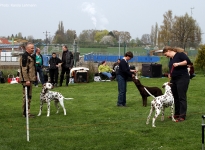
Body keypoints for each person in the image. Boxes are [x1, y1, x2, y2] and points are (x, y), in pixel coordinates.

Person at [163, 46, 191, 122]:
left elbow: (188, 62)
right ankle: (177, 114)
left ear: (169, 50)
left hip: (182, 78)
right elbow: (172, 69)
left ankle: (182, 115)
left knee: (181, 96)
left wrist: (178, 64)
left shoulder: (180, 54)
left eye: (166, 54)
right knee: (175, 96)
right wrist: (170, 73)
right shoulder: (171, 59)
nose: (166, 56)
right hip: (174, 79)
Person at [19, 42, 36, 118]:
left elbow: (31, 68)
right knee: (26, 96)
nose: (33, 49)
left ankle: (27, 111)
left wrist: (34, 76)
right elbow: (24, 69)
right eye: (31, 48)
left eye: (33, 48)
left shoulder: (30, 56)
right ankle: (25, 113)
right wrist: (26, 80)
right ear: (27, 48)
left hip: (30, 79)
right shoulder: (25, 56)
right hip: (27, 80)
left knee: (29, 96)